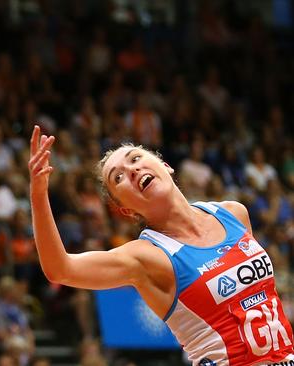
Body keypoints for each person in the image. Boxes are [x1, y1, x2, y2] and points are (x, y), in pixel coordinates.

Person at [27, 125, 294, 365]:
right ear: (126, 211)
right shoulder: (147, 257)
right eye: (118, 177)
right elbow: (59, 269)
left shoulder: (233, 213)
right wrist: (39, 194)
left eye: (135, 159)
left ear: (165, 165)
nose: (131, 170)